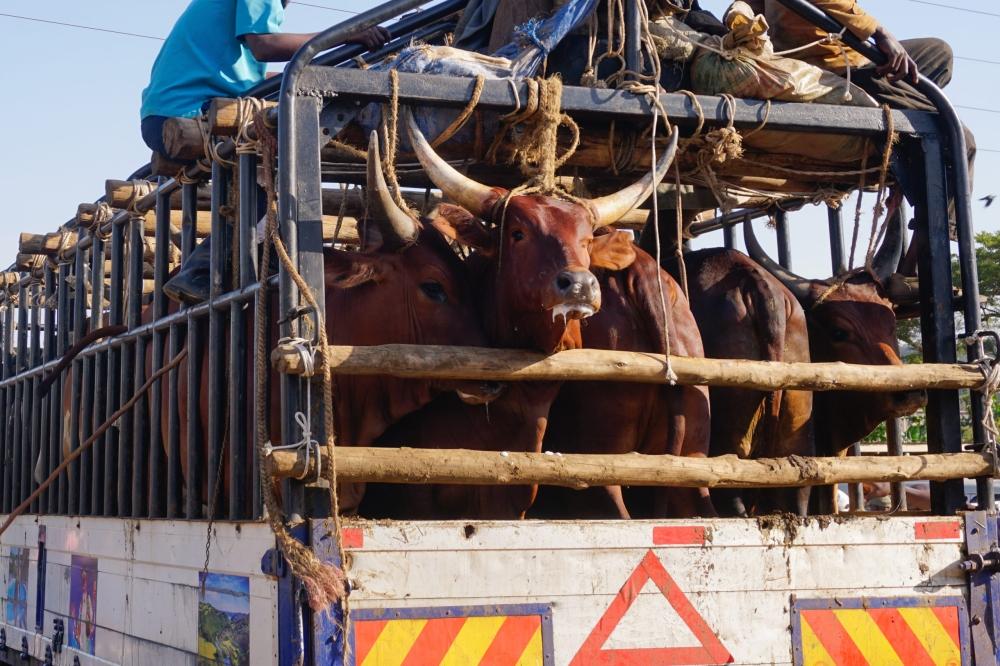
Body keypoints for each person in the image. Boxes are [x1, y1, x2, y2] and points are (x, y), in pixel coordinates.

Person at [140, 0, 390, 303]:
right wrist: (344, 35)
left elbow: (251, 77)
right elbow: (265, 46)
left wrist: (322, 74)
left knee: (253, 194)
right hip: (188, 112)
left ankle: (249, 260)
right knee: (263, 183)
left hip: (168, 111)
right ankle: (200, 271)